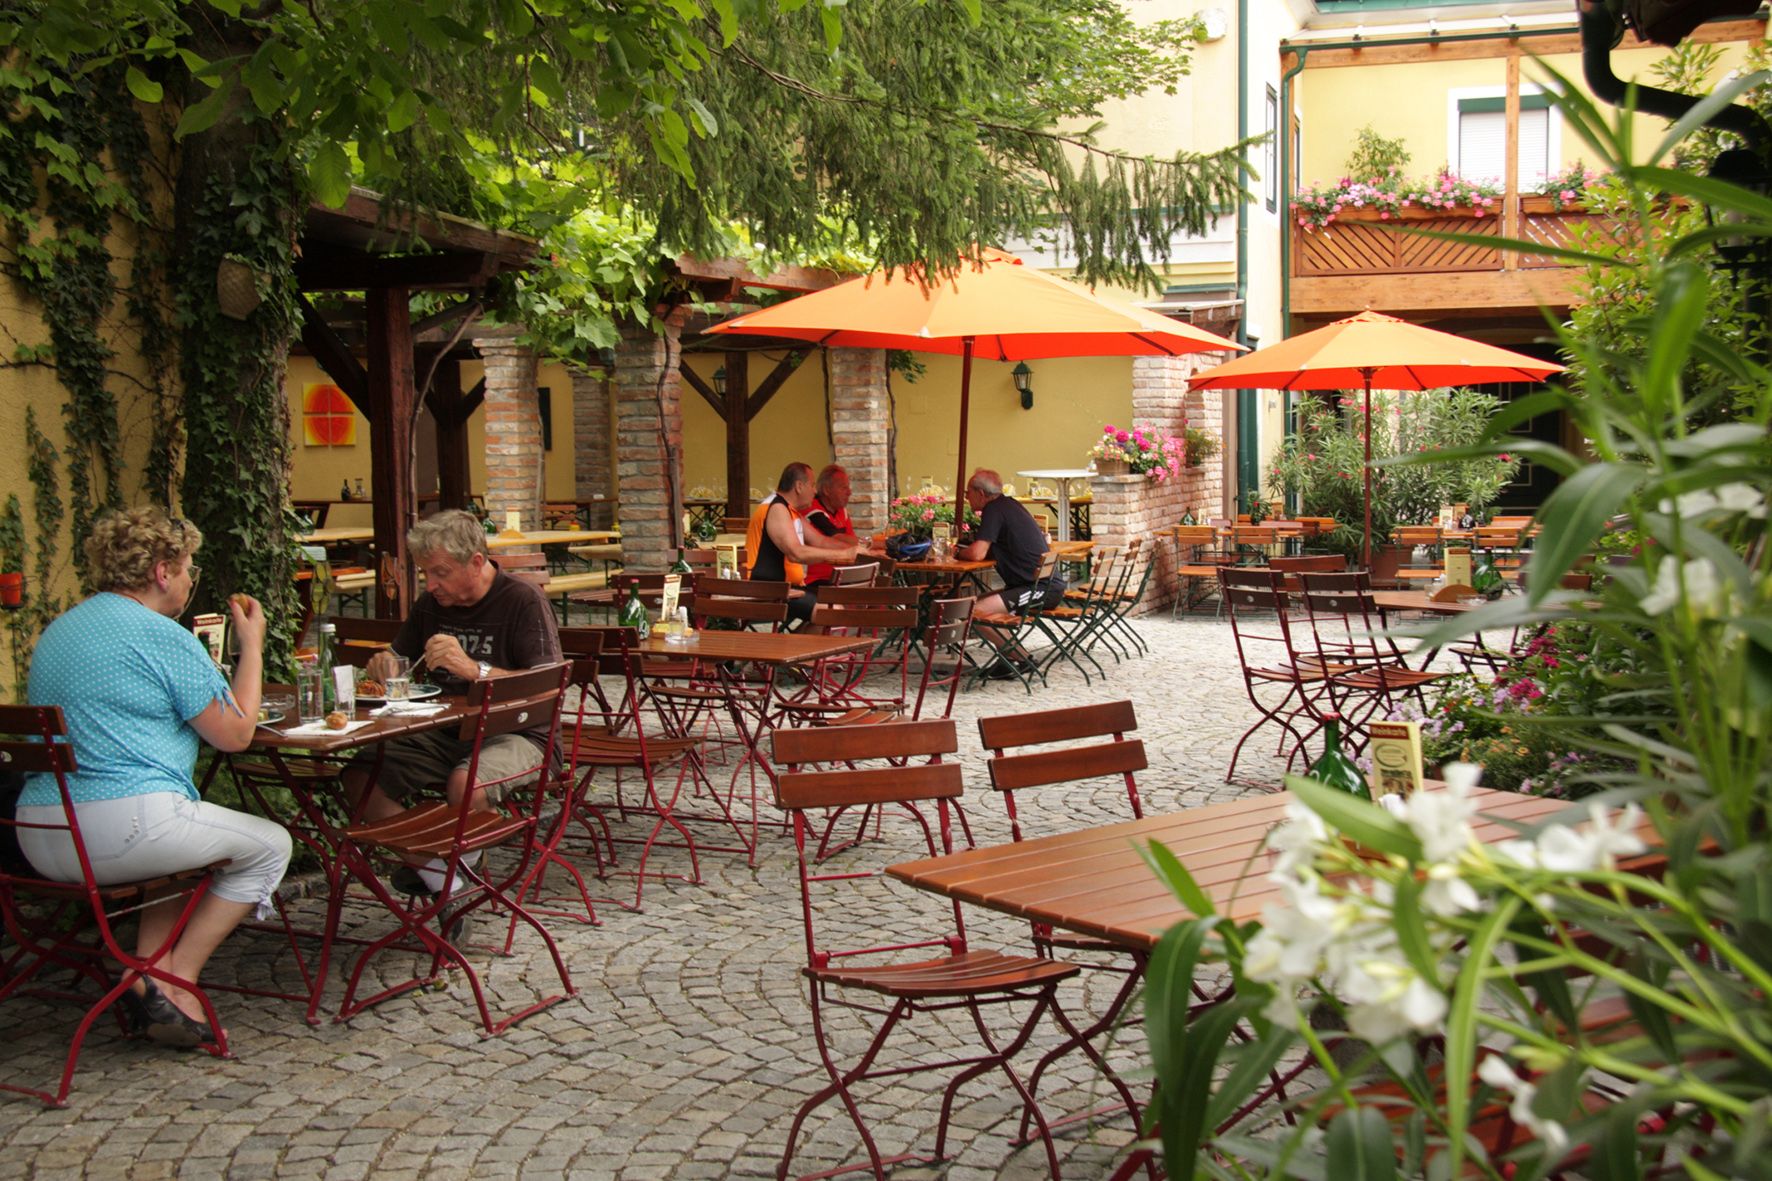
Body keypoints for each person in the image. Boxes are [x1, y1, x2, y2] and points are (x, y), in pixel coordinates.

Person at [17, 507, 292, 1046]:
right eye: (188, 567)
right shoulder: (162, 636)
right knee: (271, 845)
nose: (191, 579)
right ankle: (167, 979)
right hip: (122, 830)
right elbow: (235, 735)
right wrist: (252, 646)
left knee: (184, 858)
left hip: (40, 833)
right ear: (163, 571)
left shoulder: (59, 630)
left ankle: (149, 968)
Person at [348, 510, 563, 899]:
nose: (431, 584)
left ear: (476, 562)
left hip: (518, 733)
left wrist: (473, 669)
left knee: (465, 784)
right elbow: (398, 657)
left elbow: (546, 689)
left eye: (441, 573)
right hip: (442, 731)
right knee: (360, 777)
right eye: (425, 573)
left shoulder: (522, 600)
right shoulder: (431, 605)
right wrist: (383, 663)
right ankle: (441, 875)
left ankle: (453, 875)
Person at [954, 468, 1065, 679]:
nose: (966, 497)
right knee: (970, 605)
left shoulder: (994, 510)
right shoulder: (1010, 505)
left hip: (1040, 589)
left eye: (968, 492)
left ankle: (1022, 659)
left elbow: (977, 554)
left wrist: (958, 551)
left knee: (973, 610)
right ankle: (1009, 659)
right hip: (1033, 584)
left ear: (981, 493)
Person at [750, 462, 860, 624]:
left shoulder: (789, 510)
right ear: (799, 486)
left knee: (836, 606)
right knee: (832, 612)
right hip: (768, 590)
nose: (815, 491)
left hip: (788, 589)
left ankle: (798, 647)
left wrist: (860, 551)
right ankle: (799, 648)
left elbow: (821, 541)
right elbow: (796, 553)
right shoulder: (776, 508)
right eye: (812, 485)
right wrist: (843, 554)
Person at [801, 464, 858, 587]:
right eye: (843, 487)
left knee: (875, 590)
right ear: (827, 490)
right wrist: (871, 544)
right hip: (814, 581)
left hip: (840, 578)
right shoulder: (812, 509)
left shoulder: (842, 511)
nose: (849, 492)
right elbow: (837, 537)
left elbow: (852, 541)